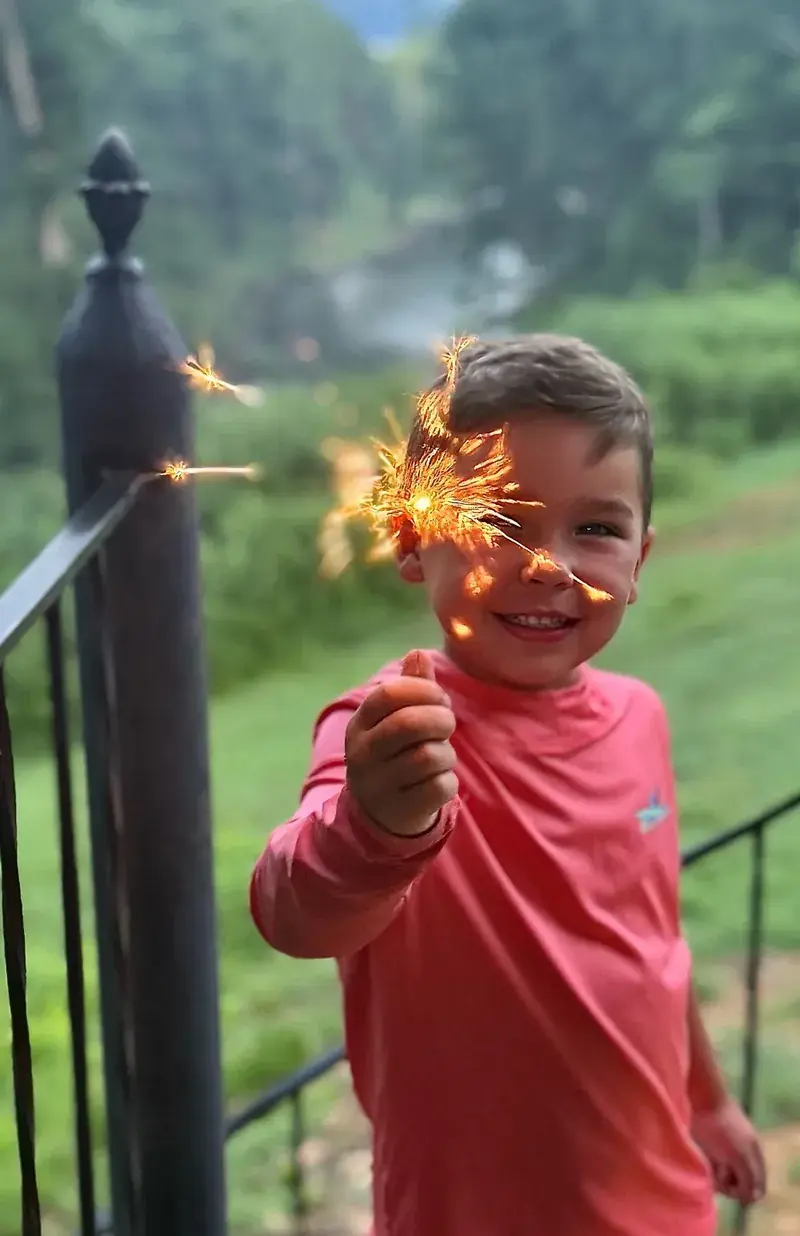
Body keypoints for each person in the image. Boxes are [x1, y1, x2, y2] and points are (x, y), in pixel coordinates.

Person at [250, 335, 766, 1236]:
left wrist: (709, 1100)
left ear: (640, 558)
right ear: (411, 541)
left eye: (596, 529)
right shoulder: (393, 729)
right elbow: (296, 915)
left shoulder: (642, 716)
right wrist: (377, 827)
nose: (548, 564)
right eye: (498, 523)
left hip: (661, 1203)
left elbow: (654, 946)